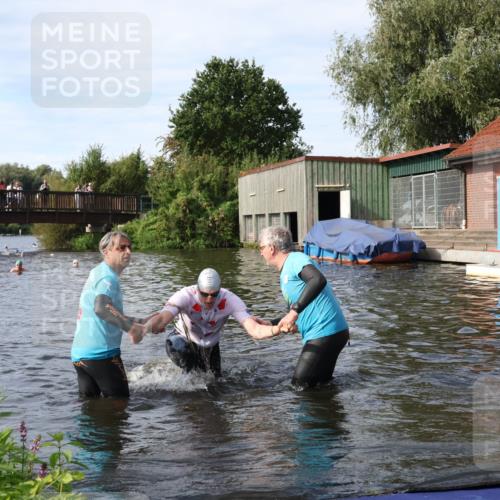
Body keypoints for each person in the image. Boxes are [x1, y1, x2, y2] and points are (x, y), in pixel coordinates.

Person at [144, 268, 284, 377]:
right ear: (198, 289)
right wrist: (147, 328)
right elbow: (162, 318)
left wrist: (277, 329)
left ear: (219, 291)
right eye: (204, 294)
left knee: (215, 381)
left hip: (210, 345)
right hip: (180, 339)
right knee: (192, 370)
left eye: (214, 295)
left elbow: (254, 330)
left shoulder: (230, 300)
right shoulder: (185, 295)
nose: (209, 299)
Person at [258, 226, 349, 388]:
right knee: (319, 387)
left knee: (299, 386)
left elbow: (317, 280)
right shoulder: (285, 271)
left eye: (261, 248)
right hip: (330, 333)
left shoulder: (295, 259)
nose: (260, 252)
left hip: (325, 332)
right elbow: (300, 311)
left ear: (271, 248)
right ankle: (331, 411)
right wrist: (271, 323)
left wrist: (293, 312)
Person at [71, 231, 145, 398]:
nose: (128, 252)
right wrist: (132, 329)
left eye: (129, 247)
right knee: (120, 407)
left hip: (80, 355)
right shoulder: (108, 278)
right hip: (102, 355)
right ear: (106, 251)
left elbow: (109, 313)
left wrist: (142, 321)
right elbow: (102, 308)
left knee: (90, 409)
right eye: (121, 248)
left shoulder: (98, 272)